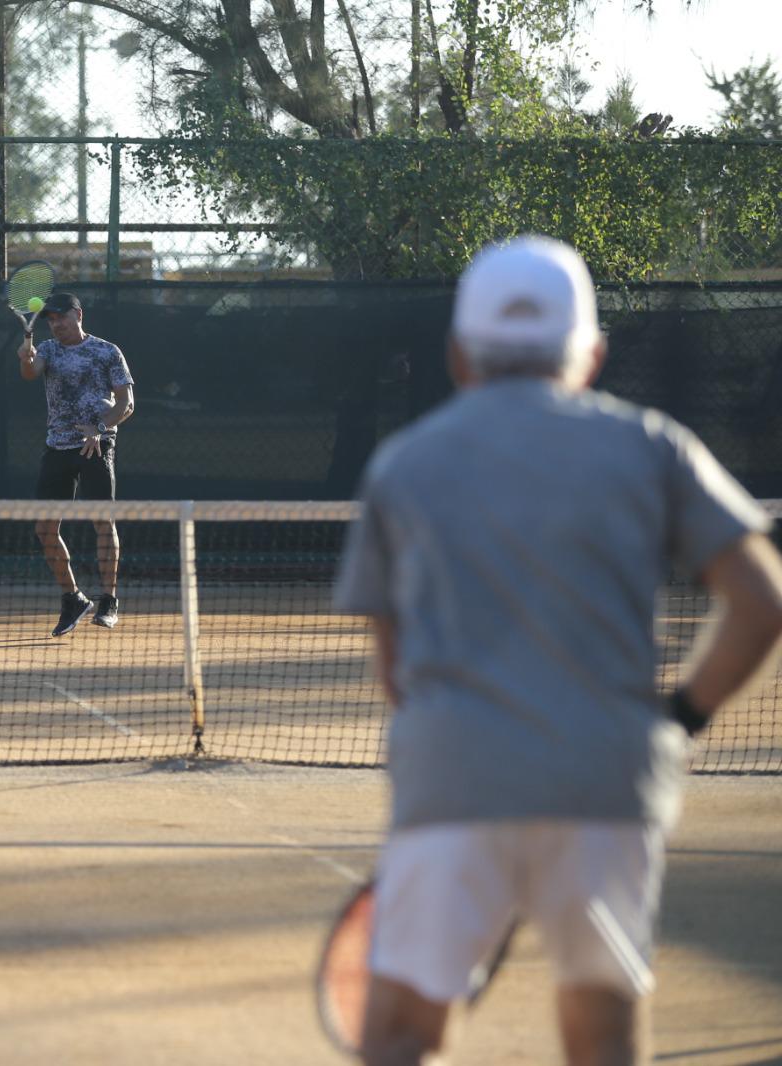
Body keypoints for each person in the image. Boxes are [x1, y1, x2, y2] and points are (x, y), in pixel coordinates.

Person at [333, 235, 782, 1066]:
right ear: (593, 355)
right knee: (603, 1033)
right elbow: (763, 599)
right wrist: (678, 717)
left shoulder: (405, 463)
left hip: (454, 776)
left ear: (459, 356)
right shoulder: (653, 445)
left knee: (400, 1035)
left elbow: (394, 669)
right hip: (609, 780)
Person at [18, 292, 135, 636]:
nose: (56, 325)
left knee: (102, 521)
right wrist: (25, 355)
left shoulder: (106, 351)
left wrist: (98, 429)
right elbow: (29, 372)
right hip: (58, 446)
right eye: (50, 320)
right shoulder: (48, 351)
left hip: (96, 446)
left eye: (61, 318)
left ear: (78, 315)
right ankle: (73, 597)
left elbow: (126, 404)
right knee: (44, 528)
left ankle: (108, 601)